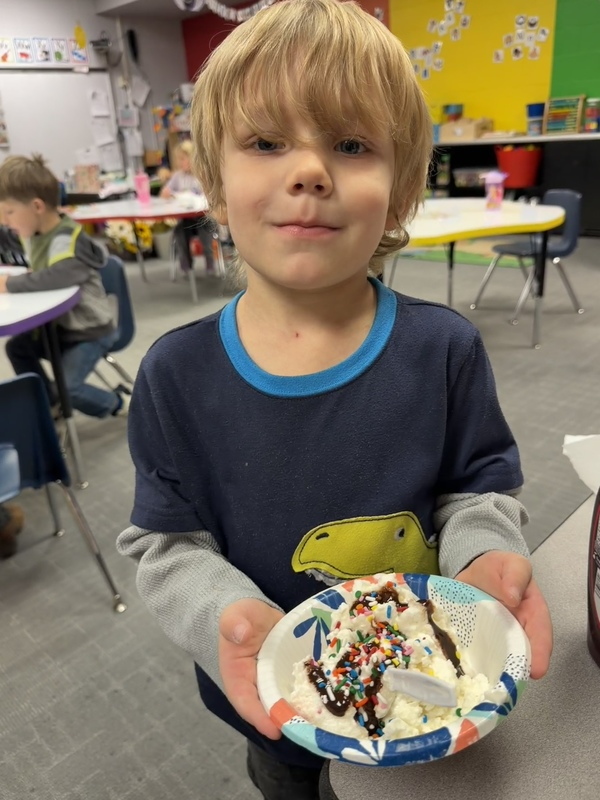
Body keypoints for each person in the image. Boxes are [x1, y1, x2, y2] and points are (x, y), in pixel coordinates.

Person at [116, 2, 553, 798]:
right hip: (275, 699)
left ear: (398, 192)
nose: (310, 171)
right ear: (215, 183)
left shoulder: (443, 350)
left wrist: (484, 556)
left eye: (351, 146)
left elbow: (478, 488)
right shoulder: (174, 376)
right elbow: (164, 543)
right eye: (265, 142)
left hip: (425, 676)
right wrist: (225, 613)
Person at [0, 155, 129, 419]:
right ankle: (49, 402)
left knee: (69, 388)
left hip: (90, 330)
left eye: (9, 212)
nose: (5, 221)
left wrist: (10, 284)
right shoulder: (36, 234)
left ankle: (117, 403)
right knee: (17, 348)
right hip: (61, 328)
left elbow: (56, 276)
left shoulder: (65, 239)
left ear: (37, 206)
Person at [159, 139, 216, 275]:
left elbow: (210, 196)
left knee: (206, 233)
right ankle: (186, 267)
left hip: (203, 217)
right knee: (180, 233)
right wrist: (166, 193)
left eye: (183, 159)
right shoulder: (178, 177)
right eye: (179, 159)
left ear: (193, 158)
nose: (180, 163)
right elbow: (164, 193)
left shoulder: (202, 175)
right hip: (185, 219)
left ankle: (210, 265)